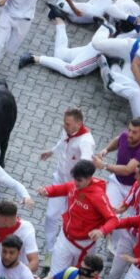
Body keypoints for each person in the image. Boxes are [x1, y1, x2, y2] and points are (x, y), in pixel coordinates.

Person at [36, 160, 118, 279]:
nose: (76, 183)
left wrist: (101, 231)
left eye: (79, 180)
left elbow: (113, 220)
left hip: (84, 247)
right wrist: (46, 191)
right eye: (75, 179)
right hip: (65, 239)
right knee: (54, 277)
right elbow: (61, 189)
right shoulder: (74, 185)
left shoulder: (98, 196)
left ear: (89, 178)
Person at [41, 108, 95, 257]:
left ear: (78, 124)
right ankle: (49, 253)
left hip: (75, 188)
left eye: (67, 124)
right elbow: (62, 143)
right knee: (51, 216)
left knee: (68, 221)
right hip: (59, 179)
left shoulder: (86, 142)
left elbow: (86, 165)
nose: (64, 126)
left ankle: (62, 252)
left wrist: (78, 186)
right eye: (65, 122)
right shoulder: (68, 131)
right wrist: (51, 151)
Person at [92, 118, 140, 207]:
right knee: (107, 211)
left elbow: (127, 170)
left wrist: (103, 166)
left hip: (134, 190)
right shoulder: (125, 135)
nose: (129, 134)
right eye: (129, 130)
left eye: (134, 132)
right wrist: (106, 150)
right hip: (117, 182)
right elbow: (118, 140)